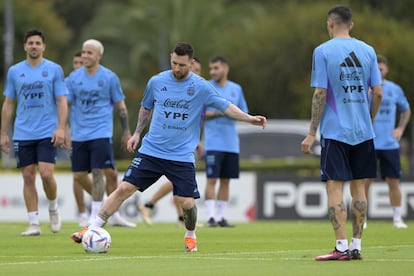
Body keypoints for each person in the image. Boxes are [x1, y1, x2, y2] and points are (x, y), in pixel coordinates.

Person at [71, 42, 266, 252]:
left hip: (181, 156)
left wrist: (249, 118)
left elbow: (225, 106)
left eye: (182, 65)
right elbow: (146, 108)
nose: (176, 68)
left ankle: (190, 235)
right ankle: (92, 228)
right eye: (174, 63)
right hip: (151, 150)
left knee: (188, 204)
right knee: (124, 188)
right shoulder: (157, 81)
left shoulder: (200, 86)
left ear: (191, 63)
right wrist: (137, 133)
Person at [301, 5, 382, 261]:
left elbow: (320, 93)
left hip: (336, 132)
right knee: (360, 190)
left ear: (330, 23)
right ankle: (357, 245)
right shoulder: (368, 51)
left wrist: (312, 132)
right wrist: (369, 120)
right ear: (352, 24)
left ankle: (341, 246)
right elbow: (378, 92)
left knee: (335, 189)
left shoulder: (323, 51)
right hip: (364, 132)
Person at [0, 29, 68, 236]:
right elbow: (9, 103)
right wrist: (3, 133)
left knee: (47, 174)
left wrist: (61, 127)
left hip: (47, 131)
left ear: (43, 46)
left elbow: (62, 100)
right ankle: (34, 223)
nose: (34, 46)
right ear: (25, 46)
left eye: (38, 43)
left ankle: (53, 208)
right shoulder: (14, 71)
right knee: (28, 176)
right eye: (30, 43)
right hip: (23, 132)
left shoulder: (54, 69)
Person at [65, 39, 134, 228]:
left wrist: (126, 130)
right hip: (79, 134)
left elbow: (120, 105)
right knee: (79, 175)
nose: (85, 56)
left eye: (89, 53)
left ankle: (95, 216)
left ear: (99, 56)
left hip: (100, 132)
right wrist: (63, 129)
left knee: (98, 172)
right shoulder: (73, 78)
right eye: (83, 52)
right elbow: (66, 105)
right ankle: (106, 204)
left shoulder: (109, 77)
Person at [139, 57, 203, 226]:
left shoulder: (199, 89)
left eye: (198, 71)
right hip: (179, 144)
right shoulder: (176, 88)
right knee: (178, 181)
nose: (195, 74)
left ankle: (180, 218)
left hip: (187, 142)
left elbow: (196, 121)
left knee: (179, 184)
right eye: (194, 70)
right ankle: (149, 204)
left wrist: (199, 139)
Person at [364, 55, 410, 229]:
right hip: (369, 141)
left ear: (386, 69)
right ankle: (363, 218)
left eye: (381, 68)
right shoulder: (364, 89)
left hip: (389, 144)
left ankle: (397, 218)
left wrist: (400, 129)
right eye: (376, 69)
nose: (379, 71)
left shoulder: (394, 89)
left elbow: (406, 111)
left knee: (393, 181)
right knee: (365, 181)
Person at [203, 56, 248, 227]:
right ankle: (210, 217)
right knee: (212, 179)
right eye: (211, 68)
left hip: (231, 143)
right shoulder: (206, 87)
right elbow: (199, 112)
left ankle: (221, 217)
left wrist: (234, 114)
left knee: (226, 180)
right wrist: (218, 112)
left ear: (225, 69)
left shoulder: (236, 89)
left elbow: (244, 112)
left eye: (216, 68)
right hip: (213, 142)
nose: (212, 72)